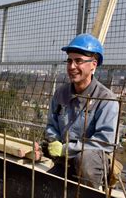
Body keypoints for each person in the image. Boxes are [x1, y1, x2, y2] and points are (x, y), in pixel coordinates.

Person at [44, 33, 119, 189]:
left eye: (78, 61)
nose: (72, 67)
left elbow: (104, 141)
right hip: (65, 159)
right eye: (69, 61)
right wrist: (54, 141)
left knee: (85, 159)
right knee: (46, 187)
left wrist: (66, 149)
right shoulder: (60, 94)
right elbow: (51, 125)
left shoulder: (106, 99)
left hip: (92, 162)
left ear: (94, 64)